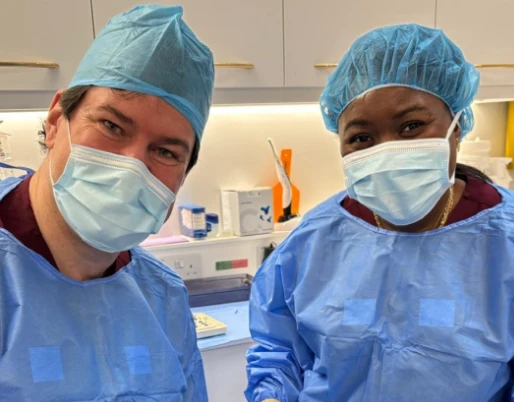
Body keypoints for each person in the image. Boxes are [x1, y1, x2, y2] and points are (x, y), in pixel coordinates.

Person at [245, 23, 514, 401]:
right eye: (361, 137)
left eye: (411, 126)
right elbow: (279, 350)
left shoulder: (503, 241)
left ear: (456, 127)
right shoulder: (314, 242)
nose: (387, 150)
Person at [0, 4, 214, 401]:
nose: (131, 167)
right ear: (55, 121)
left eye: (166, 152)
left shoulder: (162, 299)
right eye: (112, 126)